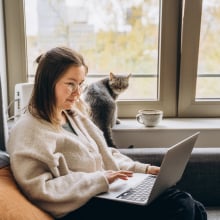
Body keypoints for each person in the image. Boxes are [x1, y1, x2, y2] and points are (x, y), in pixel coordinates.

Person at [7, 46, 207, 220]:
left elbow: (104, 154)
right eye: (70, 84)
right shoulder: (28, 131)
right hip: (78, 209)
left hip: (104, 194)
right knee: (181, 206)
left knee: (190, 206)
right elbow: (39, 189)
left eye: (81, 84)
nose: (78, 93)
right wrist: (99, 179)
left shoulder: (73, 115)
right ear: (47, 83)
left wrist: (141, 169)